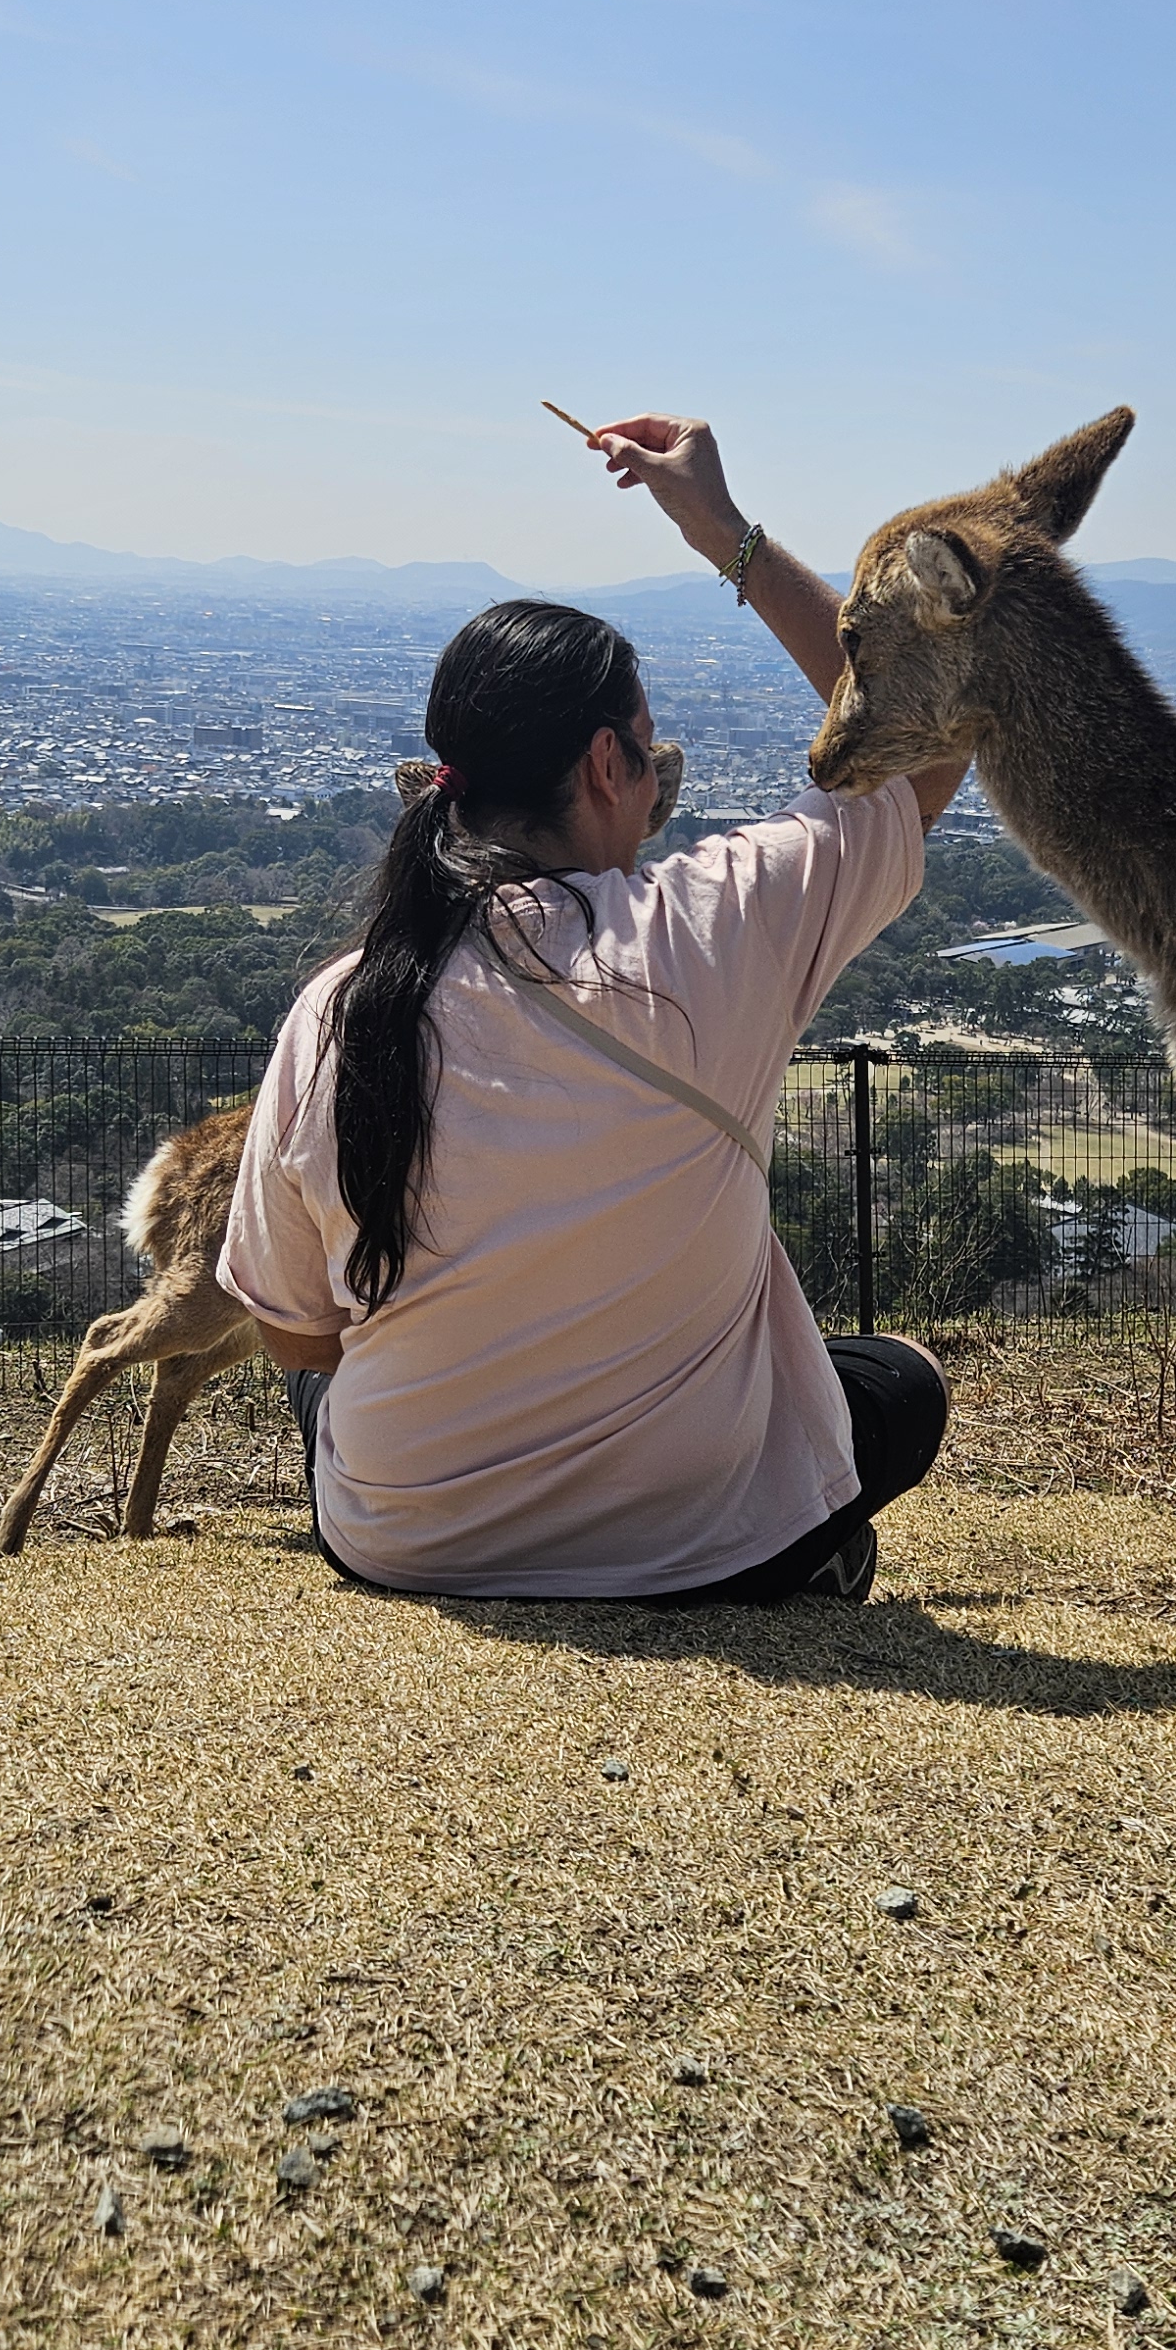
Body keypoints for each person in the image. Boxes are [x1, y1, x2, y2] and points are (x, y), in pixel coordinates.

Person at [216, 413, 968, 1602]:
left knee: (336, 1380)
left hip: (404, 1534)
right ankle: (812, 1547)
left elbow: (298, 1335)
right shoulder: (710, 934)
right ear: (607, 767)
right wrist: (722, 532)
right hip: (698, 1533)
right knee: (900, 1380)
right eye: (649, 747)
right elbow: (924, 735)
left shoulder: (341, 1004)